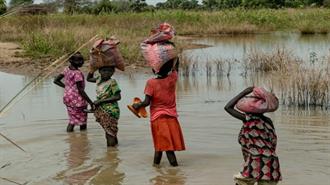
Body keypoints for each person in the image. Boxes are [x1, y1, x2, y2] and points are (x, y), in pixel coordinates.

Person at [132, 58, 185, 167]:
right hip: (172, 118)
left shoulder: (151, 83)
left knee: (167, 148)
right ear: (169, 68)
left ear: (153, 69)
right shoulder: (172, 78)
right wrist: (174, 56)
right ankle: (158, 168)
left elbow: (146, 102)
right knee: (160, 147)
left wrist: (137, 105)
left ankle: (173, 175)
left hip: (158, 120)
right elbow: (176, 67)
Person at [224, 87, 282, 185]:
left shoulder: (248, 119)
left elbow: (228, 107)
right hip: (272, 162)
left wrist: (244, 92)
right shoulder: (268, 121)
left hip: (255, 159)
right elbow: (273, 142)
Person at [54, 52, 94, 132]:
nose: (81, 62)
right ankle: (83, 139)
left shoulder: (66, 69)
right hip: (77, 99)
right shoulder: (77, 73)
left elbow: (56, 81)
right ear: (71, 61)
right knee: (82, 120)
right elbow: (81, 90)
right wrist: (90, 102)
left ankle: (71, 138)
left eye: (82, 60)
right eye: (78, 60)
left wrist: (68, 88)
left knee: (72, 119)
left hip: (68, 97)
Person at [87, 66, 121, 147]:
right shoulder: (98, 79)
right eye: (104, 70)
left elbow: (118, 97)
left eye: (109, 71)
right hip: (102, 108)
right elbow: (88, 79)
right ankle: (114, 150)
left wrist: (100, 101)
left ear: (113, 72)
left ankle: (111, 154)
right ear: (99, 71)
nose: (106, 72)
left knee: (109, 133)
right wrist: (92, 69)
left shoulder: (112, 82)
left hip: (110, 110)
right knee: (110, 131)